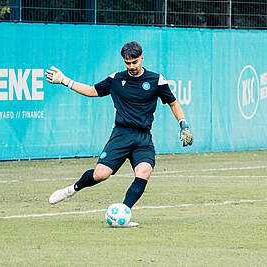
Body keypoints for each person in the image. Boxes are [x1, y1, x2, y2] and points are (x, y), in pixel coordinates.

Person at [45, 41, 193, 227]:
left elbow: (173, 102)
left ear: (142, 59)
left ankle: (122, 212)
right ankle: (71, 189)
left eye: (134, 62)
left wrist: (183, 124)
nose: (131, 66)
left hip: (143, 137)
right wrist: (65, 80)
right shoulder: (116, 79)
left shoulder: (156, 80)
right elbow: (92, 91)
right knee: (101, 174)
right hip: (121, 134)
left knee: (144, 171)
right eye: (127, 63)